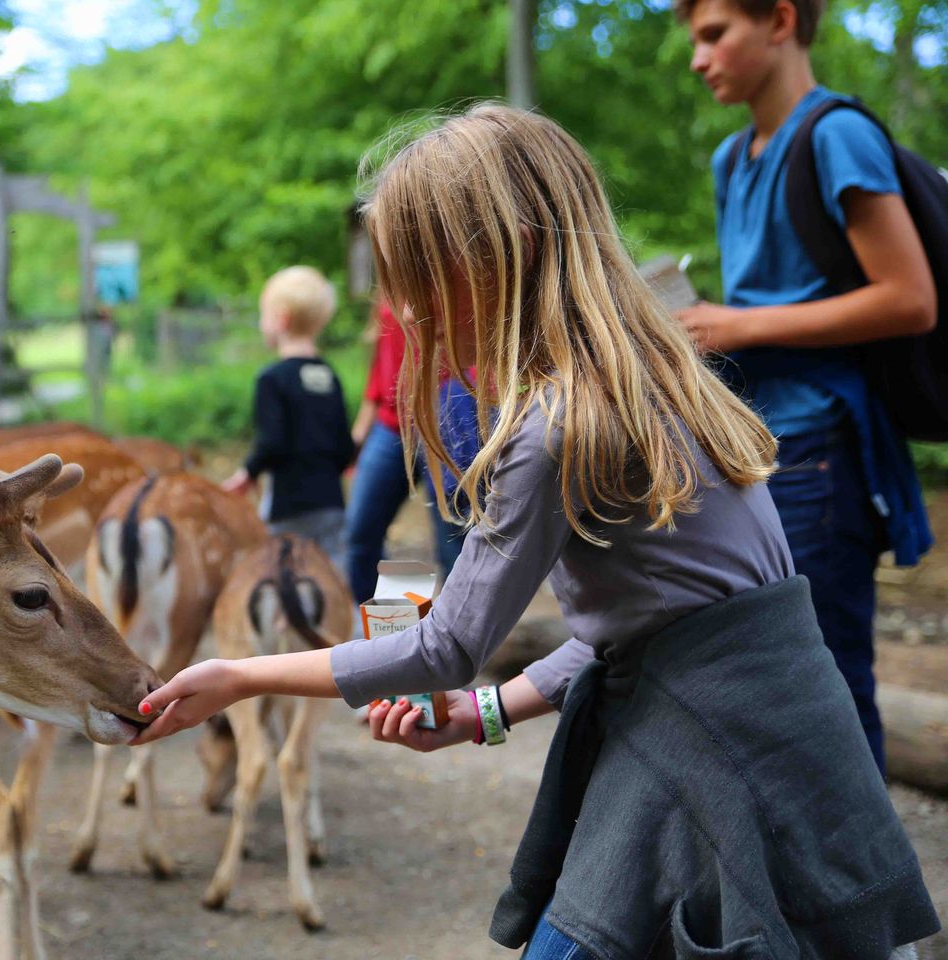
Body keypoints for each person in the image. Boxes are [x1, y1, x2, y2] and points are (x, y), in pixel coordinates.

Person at [131, 105, 939, 957]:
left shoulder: (555, 427)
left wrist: (239, 675)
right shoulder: (663, 379)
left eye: (416, 273)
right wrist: (486, 711)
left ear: (496, 254)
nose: (405, 307)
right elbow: (641, 629)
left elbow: (442, 645)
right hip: (799, 756)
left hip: (718, 762)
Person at [675, 0, 936, 775]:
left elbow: (910, 297)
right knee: (758, 676)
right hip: (751, 450)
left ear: (781, 21)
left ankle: (866, 891)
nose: (699, 58)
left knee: (828, 684)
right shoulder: (732, 160)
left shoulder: (837, 136)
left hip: (822, 452)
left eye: (715, 35)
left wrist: (741, 328)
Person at [222, 266, 355, 570]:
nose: (261, 322)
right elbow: (344, 447)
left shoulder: (272, 379)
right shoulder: (329, 375)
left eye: (262, 314)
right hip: (331, 503)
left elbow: (272, 442)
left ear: (280, 319)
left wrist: (249, 471)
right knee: (331, 578)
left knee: (286, 578)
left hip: (288, 506)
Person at [345, 300, 478, 603]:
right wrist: (358, 436)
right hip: (390, 428)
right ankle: (376, 628)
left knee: (453, 538)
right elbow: (378, 377)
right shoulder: (387, 300)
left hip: (444, 429)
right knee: (359, 531)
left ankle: (456, 629)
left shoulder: (448, 284)